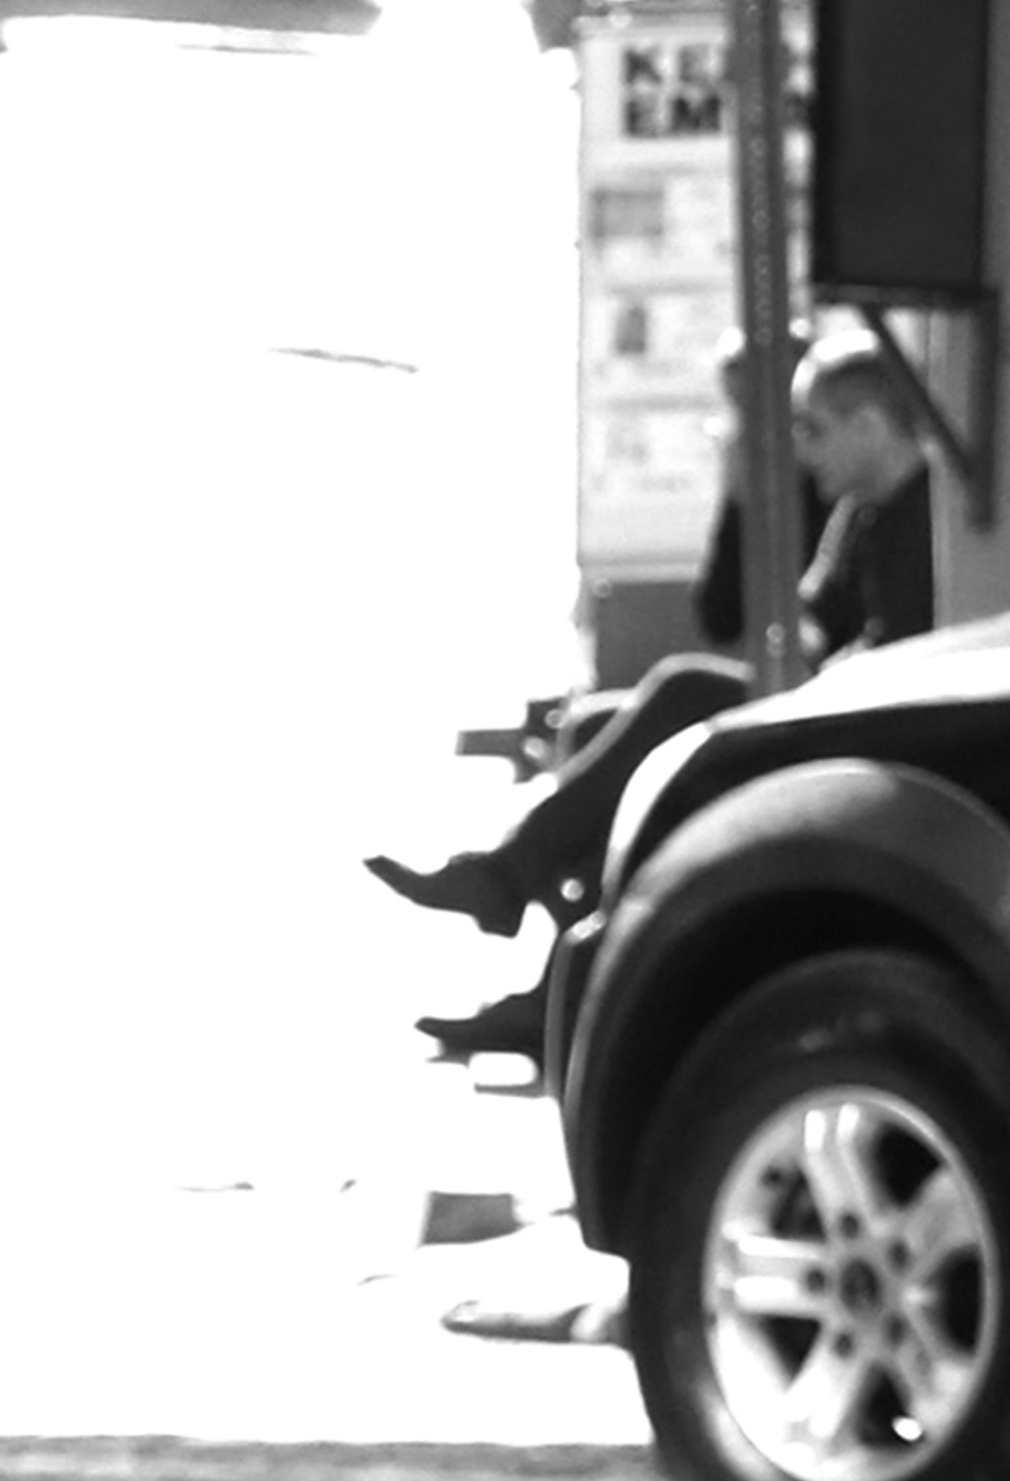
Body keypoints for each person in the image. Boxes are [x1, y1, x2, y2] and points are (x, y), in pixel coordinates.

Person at [370, 324, 938, 1008]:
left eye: (812, 429)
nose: (798, 447)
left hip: (863, 726)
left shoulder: (927, 518)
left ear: (871, 426)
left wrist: (807, 656)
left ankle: (517, 902)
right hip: (816, 693)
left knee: (681, 688)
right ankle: (553, 978)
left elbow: (893, 651)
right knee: (596, 728)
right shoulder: (859, 511)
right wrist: (740, 504)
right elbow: (764, 617)